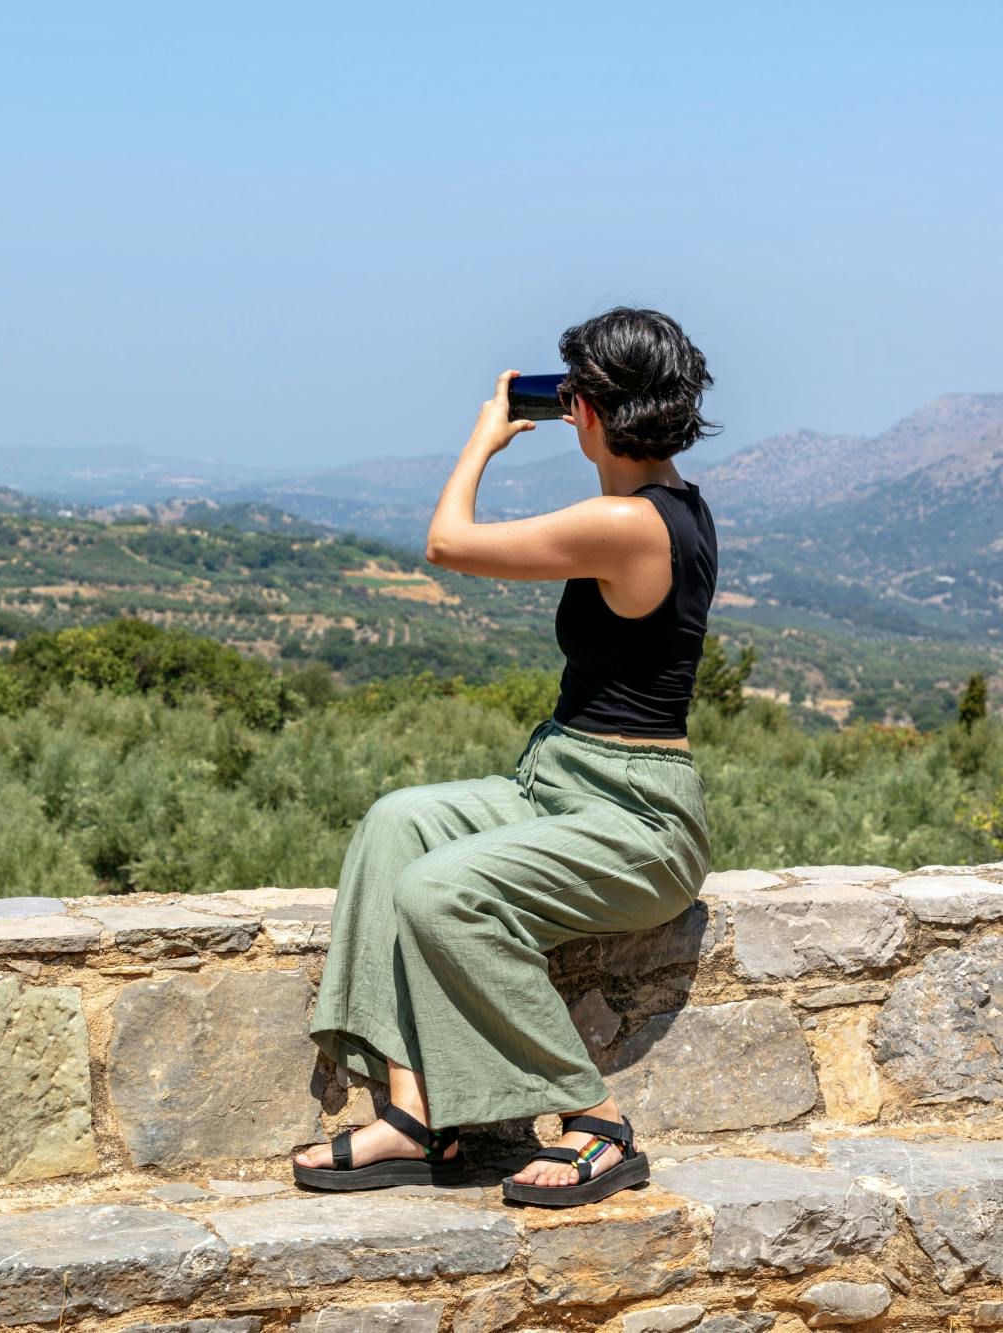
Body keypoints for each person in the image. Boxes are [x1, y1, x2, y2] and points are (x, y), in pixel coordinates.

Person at [291, 307, 719, 1208]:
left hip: (637, 819)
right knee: (394, 824)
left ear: (590, 414)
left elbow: (449, 543)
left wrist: (484, 440)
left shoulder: (635, 523)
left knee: (441, 890)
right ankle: (415, 1117)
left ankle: (595, 1121)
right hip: (557, 782)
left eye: (575, 396)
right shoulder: (652, 508)